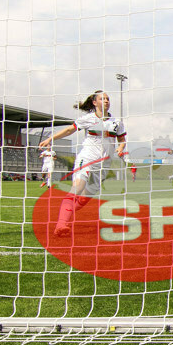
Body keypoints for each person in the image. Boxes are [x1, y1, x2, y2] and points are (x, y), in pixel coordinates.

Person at [38, 90, 126, 237]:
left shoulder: (117, 123)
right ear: (94, 102)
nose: (106, 101)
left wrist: (120, 148)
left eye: (108, 99)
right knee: (77, 189)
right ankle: (61, 224)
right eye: (102, 98)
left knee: (85, 198)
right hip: (87, 159)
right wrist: (50, 139)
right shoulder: (88, 119)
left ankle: (65, 213)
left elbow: (122, 140)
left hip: (103, 165)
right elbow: (68, 130)